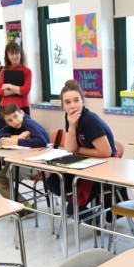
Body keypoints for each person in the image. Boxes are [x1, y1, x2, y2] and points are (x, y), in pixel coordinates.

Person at [45, 80, 117, 215]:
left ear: (83, 101)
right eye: (67, 102)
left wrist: (78, 150)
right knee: (53, 182)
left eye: (76, 100)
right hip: (86, 165)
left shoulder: (90, 121)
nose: (73, 106)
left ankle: (93, 217)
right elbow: (70, 148)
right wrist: (72, 126)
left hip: (104, 168)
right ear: (62, 106)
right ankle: (80, 203)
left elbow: (106, 152)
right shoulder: (70, 118)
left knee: (73, 210)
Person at [0, 103, 49, 209]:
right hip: (21, 160)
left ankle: (23, 208)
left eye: (15, 116)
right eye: (9, 120)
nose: (14, 121)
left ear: (21, 113)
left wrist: (17, 141)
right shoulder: (12, 126)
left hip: (38, 163)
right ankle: (24, 207)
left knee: (2, 178)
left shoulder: (28, 124)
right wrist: (15, 136)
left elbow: (42, 141)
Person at [0, 41, 32, 115]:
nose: (14, 56)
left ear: (20, 54)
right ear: (7, 56)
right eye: (11, 54)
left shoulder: (27, 71)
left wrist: (9, 86)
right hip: (5, 107)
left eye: (17, 53)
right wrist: (18, 91)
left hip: (22, 106)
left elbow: (26, 91)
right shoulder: (4, 70)